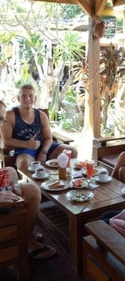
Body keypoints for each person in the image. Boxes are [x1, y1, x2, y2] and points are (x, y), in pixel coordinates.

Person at [0, 100, 56, 259]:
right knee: (32, 191)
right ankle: (25, 242)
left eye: (2, 119)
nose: (2, 123)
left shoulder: (40, 116)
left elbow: (48, 137)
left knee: (11, 172)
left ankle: (26, 232)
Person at [2, 83, 78, 172]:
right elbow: (6, 140)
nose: (27, 99)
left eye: (30, 96)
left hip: (43, 147)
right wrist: (26, 144)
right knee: (24, 163)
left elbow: (48, 138)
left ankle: (62, 178)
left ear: (35, 98)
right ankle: (32, 184)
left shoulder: (41, 115)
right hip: (24, 150)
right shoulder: (10, 115)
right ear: (18, 98)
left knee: (72, 151)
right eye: (24, 96)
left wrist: (43, 152)